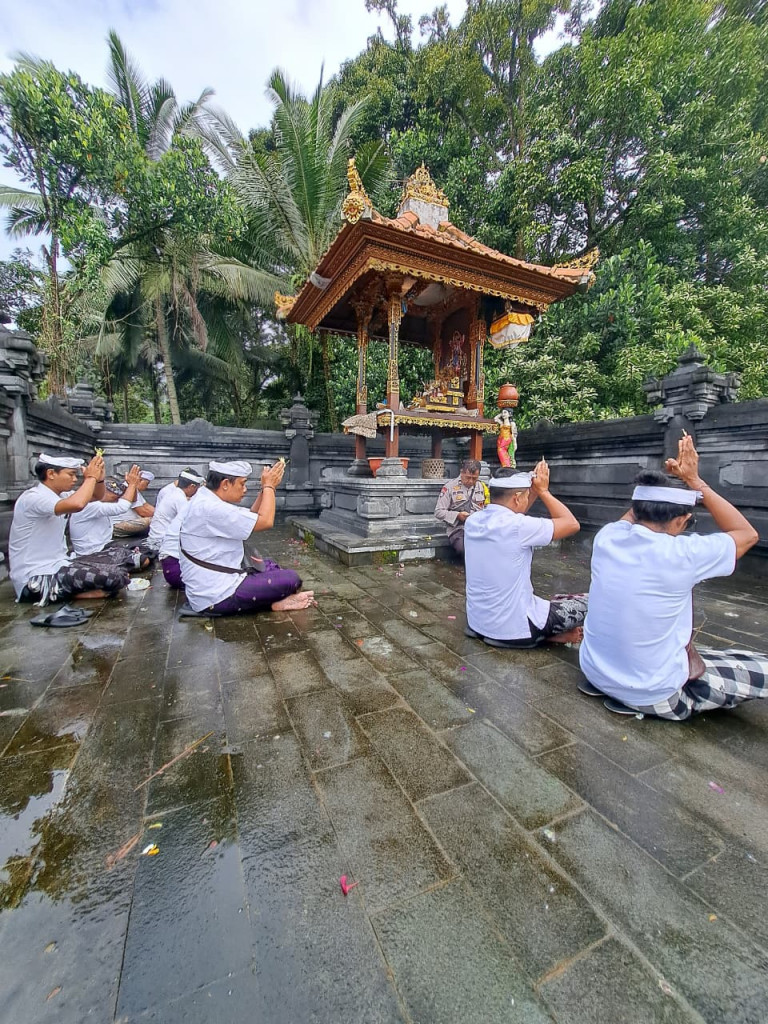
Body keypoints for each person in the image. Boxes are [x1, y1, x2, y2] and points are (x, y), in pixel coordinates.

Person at [580, 435, 765, 720]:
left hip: (594, 672)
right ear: (680, 520)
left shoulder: (608, 538)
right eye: (688, 521)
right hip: (654, 694)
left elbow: (635, 513)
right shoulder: (683, 553)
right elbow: (748, 535)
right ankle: (653, 699)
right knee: (761, 667)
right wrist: (694, 481)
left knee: (720, 656)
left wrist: (657, 488)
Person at [464, 463, 586, 646]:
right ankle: (543, 636)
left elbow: (513, 514)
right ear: (517, 498)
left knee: (550, 603)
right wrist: (543, 491)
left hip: (478, 623)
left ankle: (549, 635)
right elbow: (571, 524)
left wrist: (533, 491)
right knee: (588, 602)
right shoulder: (519, 526)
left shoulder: (473, 521)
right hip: (515, 629)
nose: (529, 499)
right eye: (527, 496)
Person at [178, 458, 314, 614]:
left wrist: (265, 489)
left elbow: (251, 516)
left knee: (269, 565)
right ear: (225, 484)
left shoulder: (206, 499)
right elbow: (266, 521)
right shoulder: (209, 508)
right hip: (217, 595)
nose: (245, 489)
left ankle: (274, 601)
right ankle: (272, 603)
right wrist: (270, 486)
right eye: (242, 484)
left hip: (213, 582)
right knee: (291, 579)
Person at [9, 452, 131, 604]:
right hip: (35, 575)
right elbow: (77, 504)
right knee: (112, 578)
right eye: (71, 474)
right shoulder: (34, 497)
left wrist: (98, 479)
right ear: (51, 473)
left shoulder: (62, 495)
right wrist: (90, 478)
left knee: (119, 563)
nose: (74, 479)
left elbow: (96, 496)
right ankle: (51, 593)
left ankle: (83, 591)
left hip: (60, 564)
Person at [68, 465, 154, 569]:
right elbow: (122, 507)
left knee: (148, 550)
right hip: (92, 553)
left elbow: (133, 499)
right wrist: (132, 485)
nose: (116, 497)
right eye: (113, 493)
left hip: (106, 546)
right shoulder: (91, 505)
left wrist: (132, 485)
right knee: (142, 561)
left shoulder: (101, 503)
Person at [434, 459, 487, 558]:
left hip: (478, 528)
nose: (471, 481)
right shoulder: (450, 487)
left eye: (474, 478)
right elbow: (438, 512)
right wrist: (457, 515)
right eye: (468, 478)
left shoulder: (481, 487)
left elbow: (486, 507)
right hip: (458, 529)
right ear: (461, 472)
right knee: (464, 549)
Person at [148, 468, 205, 551]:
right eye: (197, 488)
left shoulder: (174, 493)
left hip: (157, 538)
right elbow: (190, 522)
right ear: (192, 486)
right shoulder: (179, 498)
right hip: (161, 541)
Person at [113, 470, 155, 538]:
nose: (147, 487)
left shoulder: (134, 490)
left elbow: (146, 506)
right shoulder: (129, 489)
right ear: (140, 480)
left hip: (126, 523)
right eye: (146, 484)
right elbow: (143, 512)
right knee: (156, 520)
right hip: (119, 525)